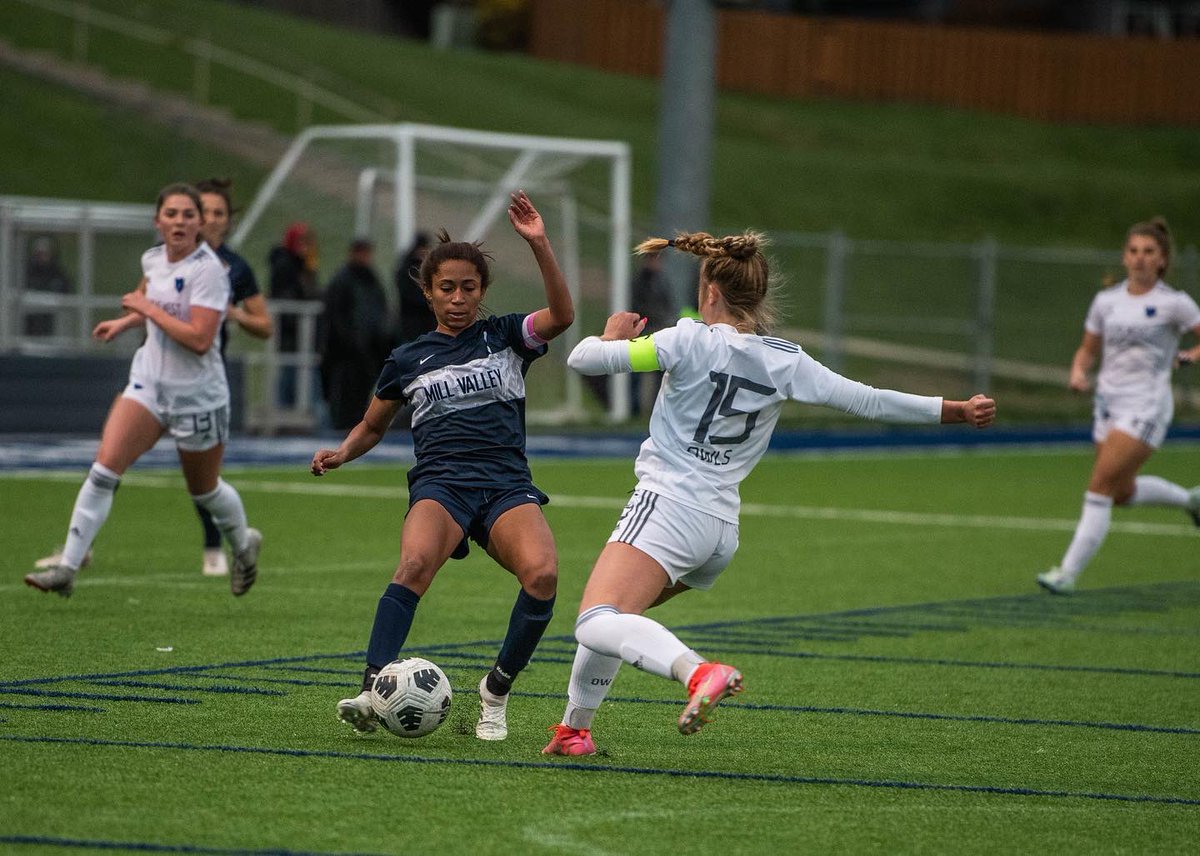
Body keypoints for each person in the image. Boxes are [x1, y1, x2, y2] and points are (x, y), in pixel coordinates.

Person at [540, 229, 996, 757]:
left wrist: (613, 335)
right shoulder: (786, 359)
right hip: (719, 533)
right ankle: (574, 731)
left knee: (597, 620)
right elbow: (867, 401)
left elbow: (583, 360)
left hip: (669, 506)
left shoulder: (685, 338)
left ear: (708, 292)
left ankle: (697, 672)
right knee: (619, 620)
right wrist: (953, 409)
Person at [311, 191, 573, 741]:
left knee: (544, 575)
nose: (458, 298)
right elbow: (372, 426)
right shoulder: (407, 359)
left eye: (468, 288)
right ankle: (371, 687)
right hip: (442, 484)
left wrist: (539, 243)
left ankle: (495, 691)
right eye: (446, 288)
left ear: (482, 292)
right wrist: (341, 452)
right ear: (428, 293)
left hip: (505, 485)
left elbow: (563, 316)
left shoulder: (504, 336)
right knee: (412, 567)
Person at [24, 183, 262, 599]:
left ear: (199, 223)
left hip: (198, 395)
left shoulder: (210, 271)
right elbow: (150, 300)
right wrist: (124, 322)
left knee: (204, 490)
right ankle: (68, 565)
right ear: (158, 221)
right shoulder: (152, 259)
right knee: (104, 469)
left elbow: (201, 339)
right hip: (149, 384)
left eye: (189, 215)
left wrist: (148, 310)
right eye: (171, 214)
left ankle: (243, 545)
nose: (180, 222)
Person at [1037, 217, 1200, 596]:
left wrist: (1191, 356)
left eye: (1149, 252)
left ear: (1162, 260)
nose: (1140, 259)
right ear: (1124, 257)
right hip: (1108, 404)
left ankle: (1067, 572)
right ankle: (1190, 500)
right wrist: (1078, 371)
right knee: (1120, 493)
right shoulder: (1106, 302)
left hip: (1147, 405)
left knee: (1099, 485)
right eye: (1133, 251)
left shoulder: (1173, 304)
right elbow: (1088, 349)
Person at [319, 238, 393, 430]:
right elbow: (336, 317)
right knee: (344, 396)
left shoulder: (371, 279)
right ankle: (341, 432)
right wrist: (350, 342)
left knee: (362, 395)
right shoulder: (343, 280)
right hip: (345, 354)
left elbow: (379, 310)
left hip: (368, 352)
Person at [269, 221, 320, 409]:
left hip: (303, 337)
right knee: (291, 379)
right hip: (292, 336)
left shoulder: (304, 267)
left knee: (295, 380)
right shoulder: (286, 266)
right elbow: (289, 298)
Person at [628, 249, 676, 415]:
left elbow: (668, 305)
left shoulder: (663, 282)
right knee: (636, 372)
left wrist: (667, 323)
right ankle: (633, 409)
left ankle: (658, 407)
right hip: (644, 333)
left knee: (661, 374)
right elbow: (637, 307)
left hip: (659, 332)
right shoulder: (638, 281)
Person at [23, 235, 73, 337]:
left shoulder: (58, 273)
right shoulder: (26, 273)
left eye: (45, 254)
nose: (42, 257)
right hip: (30, 322)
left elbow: (67, 291)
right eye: (39, 254)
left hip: (52, 322)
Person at [394, 232, 436, 345]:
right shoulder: (407, 269)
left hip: (426, 323)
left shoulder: (429, 268)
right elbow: (408, 294)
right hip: (412, 323)